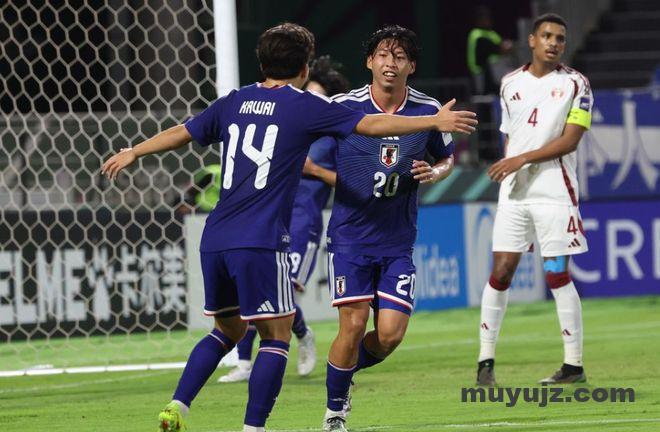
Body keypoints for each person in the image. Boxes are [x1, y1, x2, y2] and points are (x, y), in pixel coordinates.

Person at [101, 23, 476, 432]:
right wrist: (432, 122)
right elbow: (370, 125)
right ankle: (259, 427)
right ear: (304, 68)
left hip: (216, 236)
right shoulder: (306, 107)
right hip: (267, 239)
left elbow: (184, 132)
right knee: (278, 337)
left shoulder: (234, 100)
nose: (390, 63)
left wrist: (134, 150)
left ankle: (178, 404)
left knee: (228, 330)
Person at [313, 25, 461, 432]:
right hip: (350, 237)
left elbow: (448, 158)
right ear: (369, 62)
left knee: (390, 336)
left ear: (411, 65)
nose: (389, 63)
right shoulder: (344, 106)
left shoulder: (430, 110)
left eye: (399, 57)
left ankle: (342, 370)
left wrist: (436, 171)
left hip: (397, 241)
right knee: (353, 325)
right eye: (382, 54)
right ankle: (335, 413)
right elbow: (308, 145)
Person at [476, 13, 593, 387]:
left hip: (554, 191)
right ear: (532, 40)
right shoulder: (510, 83)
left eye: (560, 38)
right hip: (515, 193)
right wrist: (512, 164)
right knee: (501, 272)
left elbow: (570, 140)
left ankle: (573, 366)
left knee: (557, 273)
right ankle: (485, 363)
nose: (554, 43)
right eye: (547, 36)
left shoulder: (576, 84)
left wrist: (521, 159)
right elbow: (511, 135)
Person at [218, 56, 350, 383]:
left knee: (282, 292)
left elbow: (349, 181)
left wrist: (315, 170)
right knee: (251, 286)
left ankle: (302, 335)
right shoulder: (287, 125)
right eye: (309, 92)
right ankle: (245, 363)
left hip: (303, 221)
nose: (310, 99)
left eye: (319, 96)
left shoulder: (333, 136)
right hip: (268, 216)